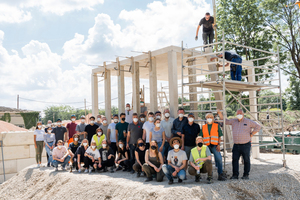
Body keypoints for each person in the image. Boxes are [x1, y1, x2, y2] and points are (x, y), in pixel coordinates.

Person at [218, 109, 261, 179]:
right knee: (234, 160)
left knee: (246, 160)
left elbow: (258, 126)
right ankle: (235, 175)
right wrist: (219, 113)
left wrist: (252, 133)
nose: (239, 115)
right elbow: (225, 121)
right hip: (236, 145)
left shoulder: (248, 121)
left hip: (245, 144)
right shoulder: (234, 121)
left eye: (240, 113)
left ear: (243, 114)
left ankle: (246, 175)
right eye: (238, 113)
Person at [199, 113, 226, 181]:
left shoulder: (217, 126)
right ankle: (210, 175)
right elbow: (200, 136)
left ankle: (220, 174)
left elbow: (220, 136)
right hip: (206, 146)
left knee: (219, 159)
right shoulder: (204, 127)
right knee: (209, 161)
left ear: (213, 118)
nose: (209, 118)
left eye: (211, 117)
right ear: (206, 118)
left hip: (215, 145)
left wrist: (219, 144)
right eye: (208, 117)